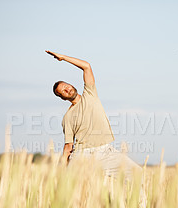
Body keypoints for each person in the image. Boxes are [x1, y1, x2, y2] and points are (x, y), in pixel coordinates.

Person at [46, 50, 140, 178]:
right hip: (83, 155)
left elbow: (86, 66)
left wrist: (63, 58)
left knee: (137, 174)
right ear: (62, 97)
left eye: (66, 85)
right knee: (77, 191)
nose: (67, 89)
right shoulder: (67, 117)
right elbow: (68, 145)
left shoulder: (89, 94)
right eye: (63, 91)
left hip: (105, 152)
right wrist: (62, 169)